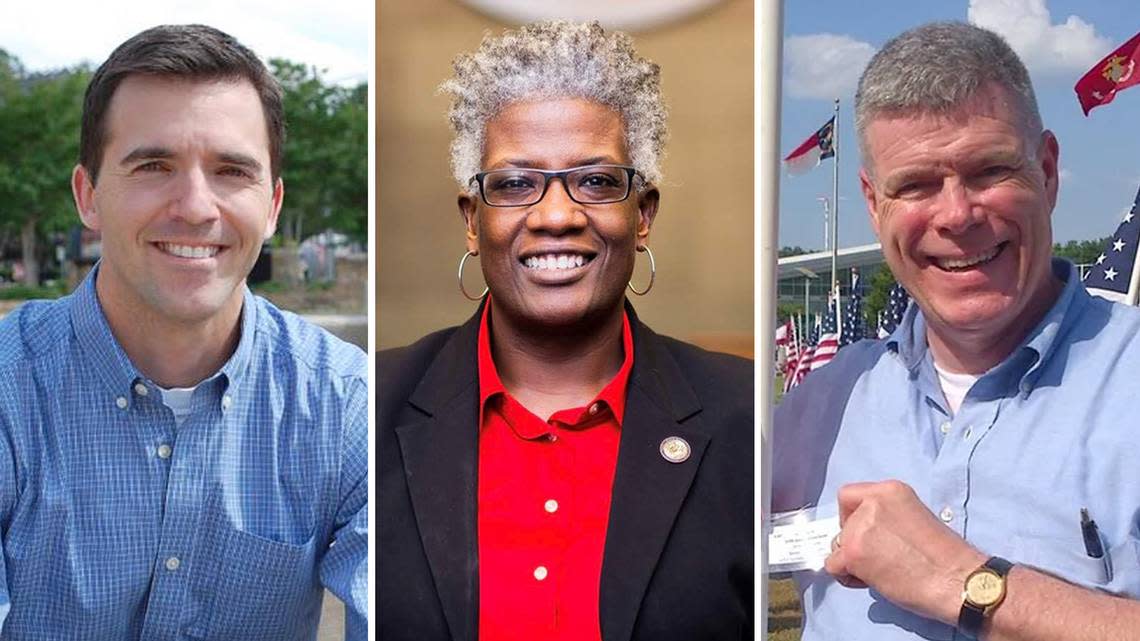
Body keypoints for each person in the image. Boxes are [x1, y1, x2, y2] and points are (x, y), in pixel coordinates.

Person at [378, 21, 752, 641]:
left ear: (643, 216)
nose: (557, 215)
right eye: (516, 183)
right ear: (473, 221)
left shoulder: (743, 419)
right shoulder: (373, 406)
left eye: (597, 181)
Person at [774, 21, 1140, 641]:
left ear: (1047, 172)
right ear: (873, 201)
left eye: (988, 171)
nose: (955, 215)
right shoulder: (818, 406)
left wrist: (966, 583)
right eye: (915, 185)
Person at [0, 25, 366, 640]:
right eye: (153, 165)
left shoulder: (345, 404)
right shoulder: (10, 390)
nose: (196, 206)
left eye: (231, 170)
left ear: (272, 206)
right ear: (88, 196)